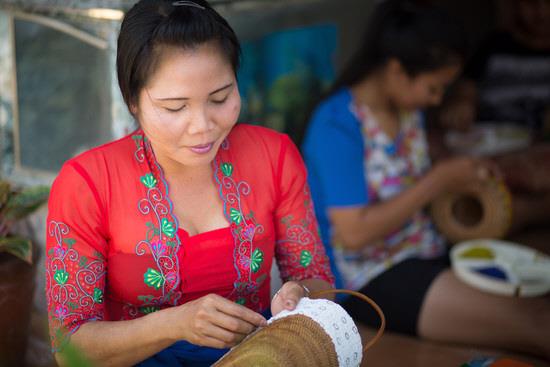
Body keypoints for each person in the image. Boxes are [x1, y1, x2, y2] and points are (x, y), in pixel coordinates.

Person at [45, 1, 334, 366]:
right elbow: (70, 349)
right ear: (132, 100)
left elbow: (318, 279)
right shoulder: (88, 183)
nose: (202, 125)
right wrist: (175, 324)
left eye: (220, 98)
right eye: (175, 107)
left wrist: (301, 294)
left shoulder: (273, 155)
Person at [302, 0, 550, 359]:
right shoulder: (337, 126)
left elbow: (411, 171)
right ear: (397, 70)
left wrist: (461, 173)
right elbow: (354, 234)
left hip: (427, 249)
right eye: (434, 88)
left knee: (533, 306)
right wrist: (439, 179)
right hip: (371, 278)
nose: (436, 100)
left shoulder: (407, 110)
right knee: (538, 323)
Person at [440, 0, 550, 136]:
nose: (541, 13)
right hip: (491, 138)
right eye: (530, 3)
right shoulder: (493, 46)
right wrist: (462, 105)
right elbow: (465, 92)